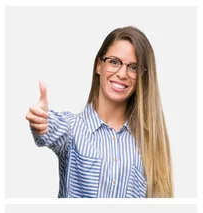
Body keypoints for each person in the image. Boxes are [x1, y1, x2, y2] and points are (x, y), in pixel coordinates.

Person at [26, 26, 172, 198]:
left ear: (143, 76)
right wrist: (41, 122)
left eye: (133, 67)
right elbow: (48, 129)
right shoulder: (71, 129)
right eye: (114, 62)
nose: (122, 74)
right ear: (98, 65)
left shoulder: (148, 142)